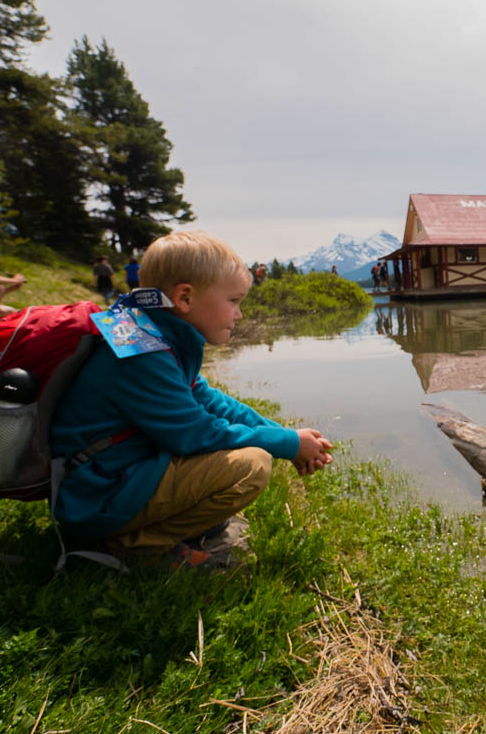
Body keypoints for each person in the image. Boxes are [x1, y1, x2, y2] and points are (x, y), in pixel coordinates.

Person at [49, 230, 334, 569]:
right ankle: (135, 545)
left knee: (243, 455)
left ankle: (156, 524)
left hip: (114, 477)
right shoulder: (141, 354)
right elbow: (196, 434)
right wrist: (286, 444)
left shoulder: (147, 332)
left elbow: (208, 399)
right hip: (97, 496)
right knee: (251, 468)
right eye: (233, 301)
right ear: (185, 298)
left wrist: (287, 434)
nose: (239, 314)